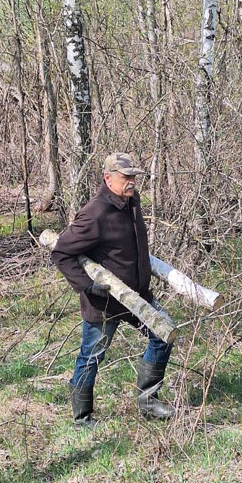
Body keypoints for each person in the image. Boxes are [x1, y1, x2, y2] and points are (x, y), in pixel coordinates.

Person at [50, 153, 174, 427]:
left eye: (134, 177)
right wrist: (86, 285)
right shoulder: (95, 213)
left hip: (137, 297)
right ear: (108, 178)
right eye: (126, 177)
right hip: (105, 302)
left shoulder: (131, 201)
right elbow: (61, 253)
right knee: (91, 357)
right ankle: (82, 418)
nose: (132, 182)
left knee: (164, 334)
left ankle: (148, 402)